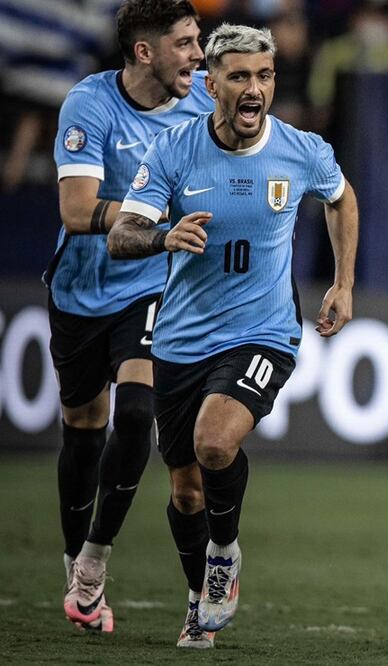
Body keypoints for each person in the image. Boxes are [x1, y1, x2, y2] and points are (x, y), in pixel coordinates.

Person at [107, 23, 359, 648]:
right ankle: (199, 600)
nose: (254, 88)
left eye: (265, 76)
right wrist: (164, 236)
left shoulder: (300, 149)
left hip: (264, 331)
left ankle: (225, 551)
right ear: (212, 82)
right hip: (180, 341)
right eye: (240, 76)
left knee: (215, 444)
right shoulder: (174, 151)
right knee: (186, 489)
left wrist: (342, 282)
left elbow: (341, 197)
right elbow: (121, 235)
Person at [48, 0, 212, 635]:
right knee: (84, 430)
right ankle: (73, 562)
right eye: (186, 43)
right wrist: (150, 217)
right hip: (81, 288)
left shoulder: (205, 101)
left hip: (153, 282)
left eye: (199, 42)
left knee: (138, 413)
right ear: (145, 52)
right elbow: (76, 211)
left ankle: (95, 559)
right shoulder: (89, 106)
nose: (198, 56)